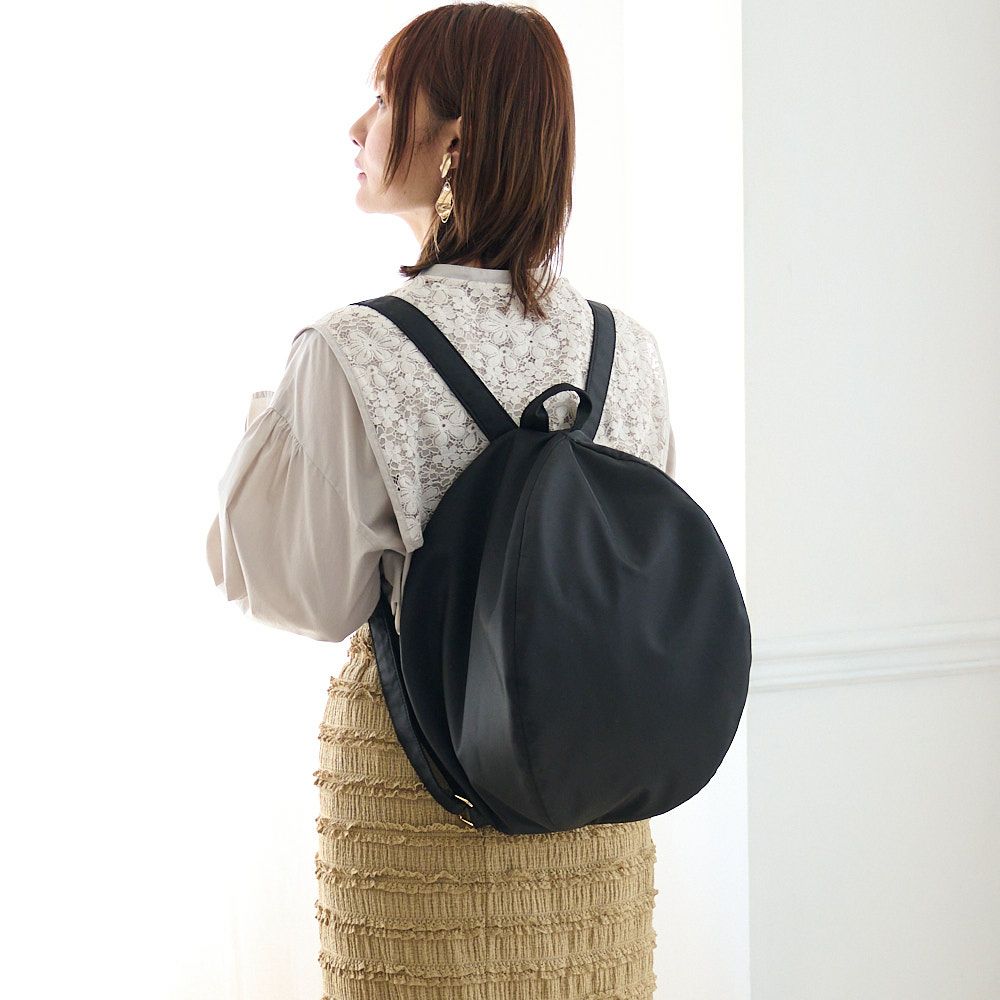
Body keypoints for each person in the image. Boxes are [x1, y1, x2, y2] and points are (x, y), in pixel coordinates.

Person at [206, 4, 676, 996]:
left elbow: (301, 593)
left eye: (383, 99)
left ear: (453, 139)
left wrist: (273, 418)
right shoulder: (627, 347)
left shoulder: (353, 347)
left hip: (423, 798)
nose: (356, 126)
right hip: (593, 801)